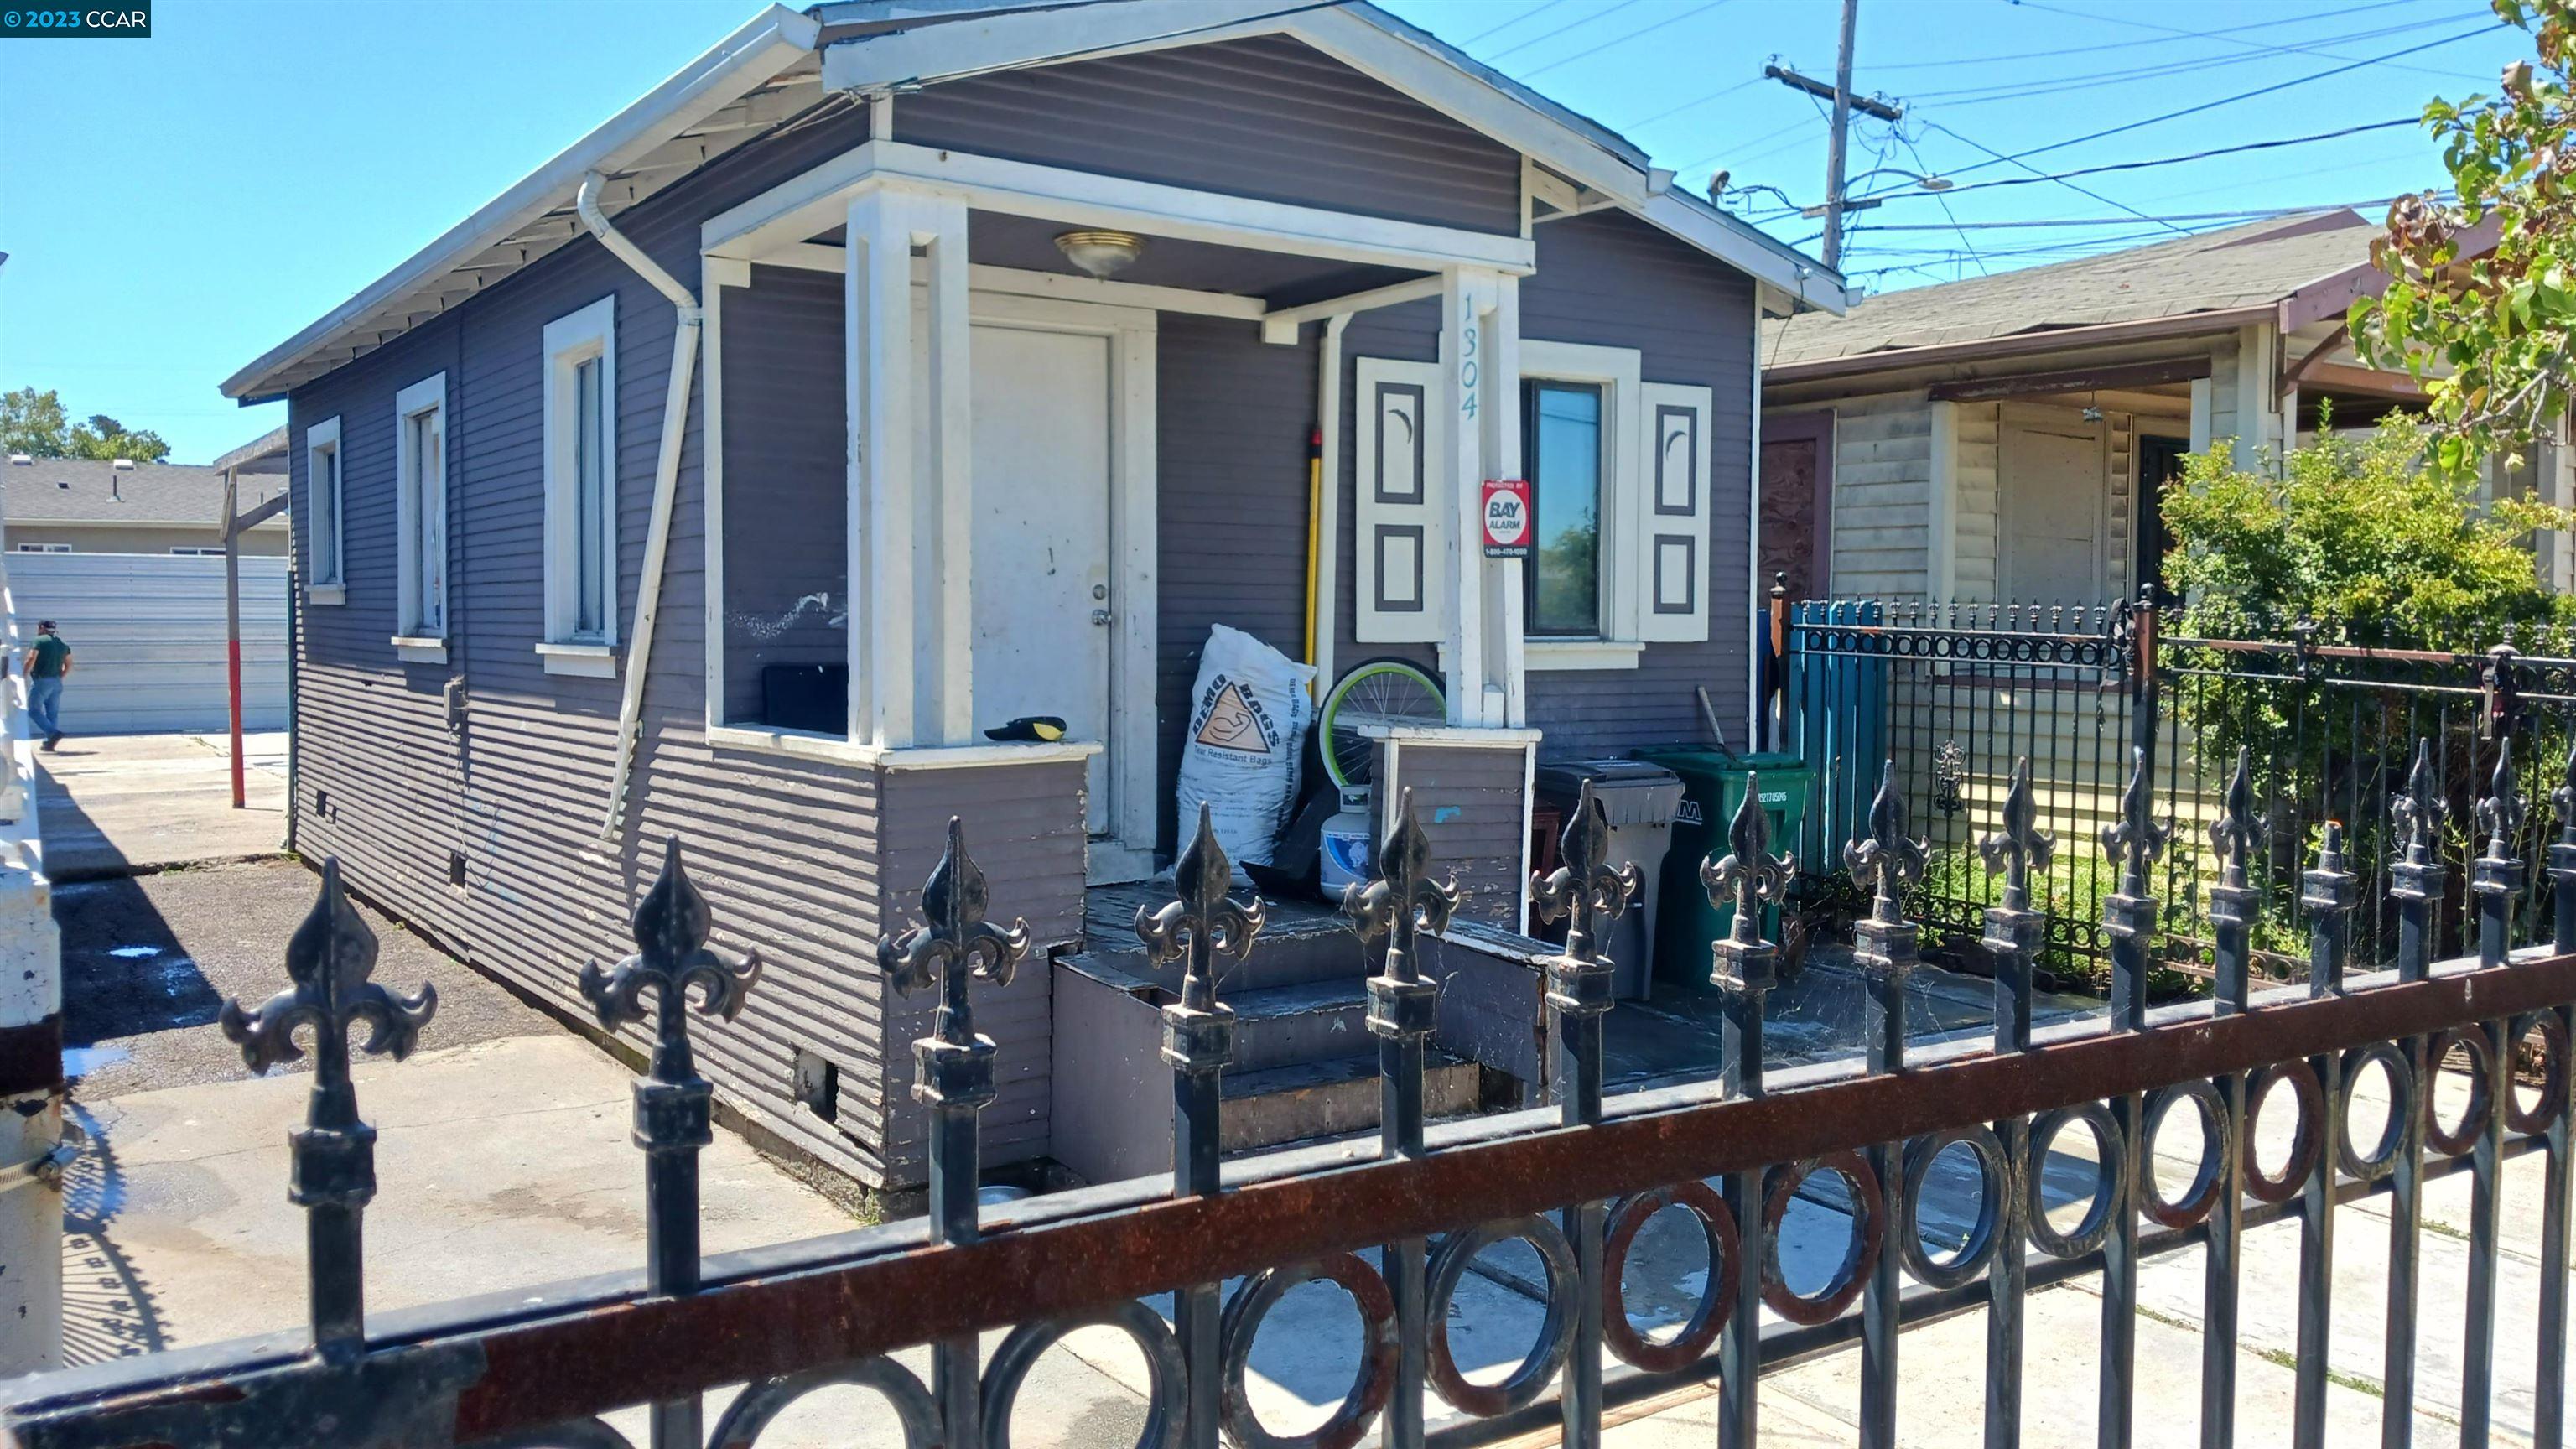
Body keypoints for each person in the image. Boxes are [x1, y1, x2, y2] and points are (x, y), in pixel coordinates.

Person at [23, 621, 70, 752]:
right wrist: (61, 676)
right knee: (52, 713)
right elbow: (69, 663)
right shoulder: (61, 643)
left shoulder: (39, 641)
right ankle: (49, 743)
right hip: (56, 682)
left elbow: (31, 657)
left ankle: (52, 732)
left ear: (42, 628)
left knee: (33, 710)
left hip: (42, 681)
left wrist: (23, 674)